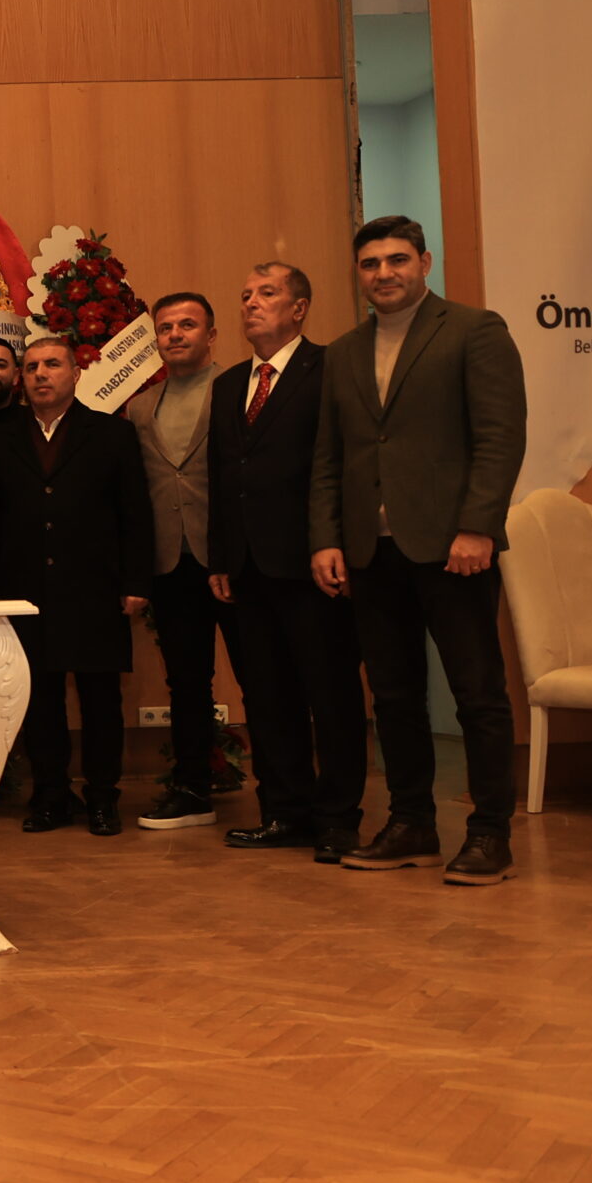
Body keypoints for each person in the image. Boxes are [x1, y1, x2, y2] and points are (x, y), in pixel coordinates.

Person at [311, 215, 526, 884]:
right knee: (395, 697)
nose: (384, 273)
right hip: (370, 552)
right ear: (359, 273)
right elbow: (330, 456)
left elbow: (500, 436)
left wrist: (478, 526)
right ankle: (412, 825)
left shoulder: (474, 330)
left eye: (397, 259)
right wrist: (326, 538)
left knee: (478, 694)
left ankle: (490, 834)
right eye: (370, 263)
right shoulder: (344, 351)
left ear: (425, 263)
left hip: (453, 547)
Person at [209, 262, 367, 861]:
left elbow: (344, 464)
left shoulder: (329, 369)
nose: (251, 303)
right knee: (268, 697)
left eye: (267, 293)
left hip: (313, 565)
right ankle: (284, 811)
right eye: (246, 294)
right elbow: (224, 476)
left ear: (299, 308)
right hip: (247, 567)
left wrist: (337, 542)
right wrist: (221, 556)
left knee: (331, 696)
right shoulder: (230, 384)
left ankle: (338, 819)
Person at [0, 335, 153, 836]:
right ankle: (51, 796)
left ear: (75, 373)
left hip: (95, 588)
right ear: (21, 378)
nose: (41, 374)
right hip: (25, 590)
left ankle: (102, 797)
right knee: (40, 700)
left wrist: (136, 580)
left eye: (52, 364)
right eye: (32, 366)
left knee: (101, 700)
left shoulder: (112, 433)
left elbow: (135, 514)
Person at [121, 292, 243, 832]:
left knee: (260, 676)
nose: (175, 335)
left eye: (187, 325)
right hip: (171, 564)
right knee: (187, 683)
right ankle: (193, 789)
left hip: (232, 562)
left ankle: (286, 795)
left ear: (211, 335)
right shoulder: (140, 408)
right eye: (165, 327)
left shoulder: (238, 392)